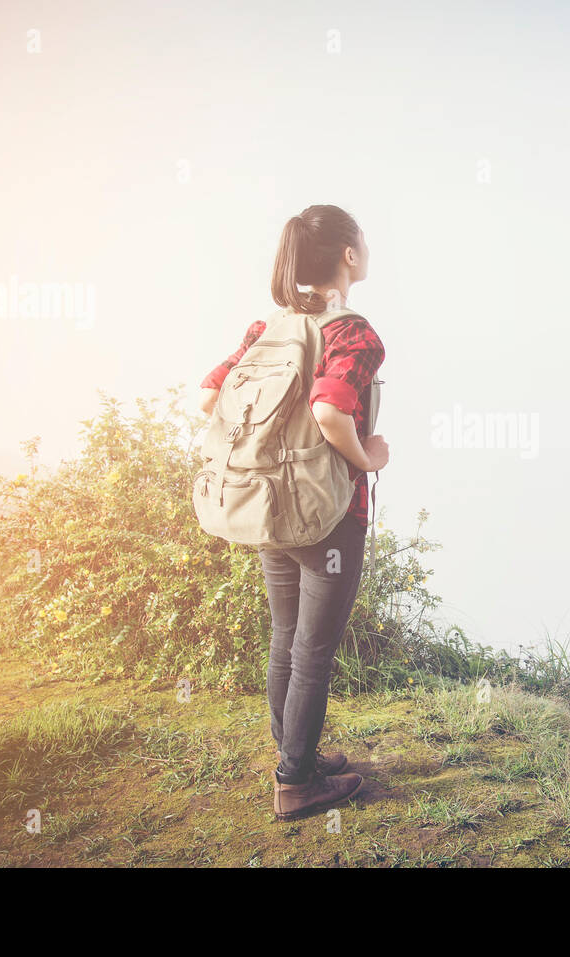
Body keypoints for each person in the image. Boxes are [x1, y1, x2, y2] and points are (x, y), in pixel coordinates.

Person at [197, 204, 389, 820]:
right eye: (362, 240)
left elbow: (207, 396)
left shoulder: (267, 328)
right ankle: (296, 784)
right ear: (349, 256)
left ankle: (295, 755)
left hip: (265, 505)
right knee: (314, 650)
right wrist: (370, 457)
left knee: (286, 638)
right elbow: (332, 410)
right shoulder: (351, 332)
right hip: (327, 513)